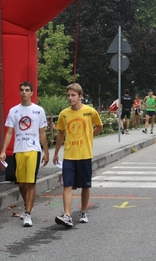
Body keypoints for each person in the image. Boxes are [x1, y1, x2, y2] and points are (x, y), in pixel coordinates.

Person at [0, 82, 49, 227]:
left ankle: (27, 213)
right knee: (21, 183)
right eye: (22, 90)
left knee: (30, 182)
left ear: (32, 92)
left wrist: (46, 152)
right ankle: (28, 205)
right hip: (18, 150)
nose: (24, 92)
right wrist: (3, 150)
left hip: (33, 149)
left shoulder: (38, 111)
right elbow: (9, 133)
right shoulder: (14, 111)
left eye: (27, 90)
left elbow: (42, 133)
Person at [53, 83, 103, 227]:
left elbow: (99, 126)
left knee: (85, 186)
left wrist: (90, 136)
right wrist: (56, 153)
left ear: (80, 96)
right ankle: (67, 215)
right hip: (69, 155)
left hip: (85, 154)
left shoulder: (90, 111)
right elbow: (61, 133)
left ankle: (83, 212)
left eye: (73, 95)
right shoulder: (64, 114)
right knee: (67, 185)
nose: (70, 98)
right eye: (68, 95)